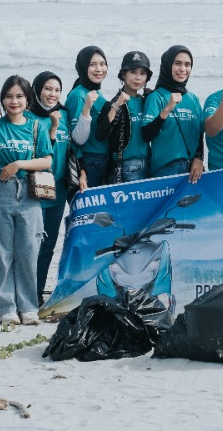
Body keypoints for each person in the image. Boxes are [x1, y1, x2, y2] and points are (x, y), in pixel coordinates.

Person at [0, 75, 52, 326]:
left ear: (28, 99)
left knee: (28, 251)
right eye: (9, 96)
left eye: (19, 96)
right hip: (0, 190)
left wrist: (19, 164)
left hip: (29, 191)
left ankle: (27, 306)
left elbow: (46, 160)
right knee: (1, 252)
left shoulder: (37, 126)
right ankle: (5, 307)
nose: (14, 101)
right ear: (3, 99)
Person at [29, 71, 69, 304]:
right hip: (35, 189)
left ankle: (37, 293)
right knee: (31, 243)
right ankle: (25, 292)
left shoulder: (64, 113)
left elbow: (73, 148)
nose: (52, 94)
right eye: (47, 89)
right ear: (37, 90)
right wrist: (52, 128)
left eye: (56, 90)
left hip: (59, 188)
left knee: (48, 245)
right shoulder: (29, 116)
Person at [141, 45, 206, 180]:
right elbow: (146, 135)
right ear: (167, 65)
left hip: (193, 168)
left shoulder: (193, 99)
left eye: (187, 65)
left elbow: (199, 133)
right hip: (165, 168)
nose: (183, 69)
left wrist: (199, 157)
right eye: (177, 64)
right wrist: (167, 109)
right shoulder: (156, 97)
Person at [94, 51, 153, 183]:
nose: (138, 77)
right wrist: (117, 105)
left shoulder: (147, 101)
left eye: (142, 73)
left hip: (149, 163)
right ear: (123, 74)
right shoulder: (113, 103)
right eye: (133, 72)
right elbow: (100, 134)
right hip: (127, 166)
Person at [66, 46, 110, 190]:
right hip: (89, 161)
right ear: (83, 67)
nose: (99, 69)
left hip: (101, 159)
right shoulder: (78, 95)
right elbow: (77, 139)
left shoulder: (97, 92)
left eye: (102, 64)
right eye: (92, 65)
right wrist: (82, 171)